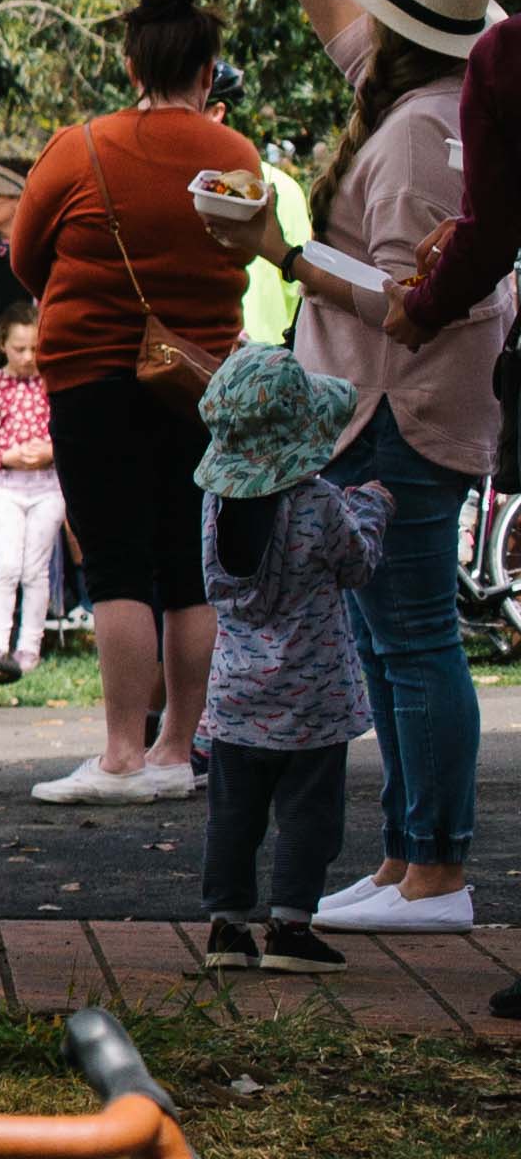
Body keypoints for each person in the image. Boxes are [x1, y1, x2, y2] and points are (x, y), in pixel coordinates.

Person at [204, 0, 492, 929]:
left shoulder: (418, 133)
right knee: (382, 637)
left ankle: (438, 872)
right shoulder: (431, 98)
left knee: (411, 639)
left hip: (394, 407)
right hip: (381, 406)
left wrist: (279, 251)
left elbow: (407, 301)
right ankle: (407, 857)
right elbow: (344, 27)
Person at [1, 0, 263, 805]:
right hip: (200, 380)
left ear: (130, 63)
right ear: (209, 67)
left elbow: (21, 258)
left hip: (92, 377)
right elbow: (247, 255)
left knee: (116, 563)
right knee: (191, 566)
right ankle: (177, 752)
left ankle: (119, 754)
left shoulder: (80, 148)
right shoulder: (235, 156)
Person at [187, 344, 377, 970]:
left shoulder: (215, 503)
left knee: (232, 816)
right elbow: (357, 563)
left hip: (237, 699)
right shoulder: (319, 502)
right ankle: (291, 930)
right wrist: (372, 508)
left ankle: (226, 929)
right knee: (308, 814)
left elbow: (217, 584)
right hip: (311, 696)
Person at [0, 311, 66, 670]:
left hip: (47, 485)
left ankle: (29, 646)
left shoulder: (52, 383)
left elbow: (69, 432)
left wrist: (50, 452)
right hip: (7, 485)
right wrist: (5, 456)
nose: (27, 357)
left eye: (34, 348)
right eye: (19, 348)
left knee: (35, 569)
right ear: (2, 345)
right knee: (6, 565)